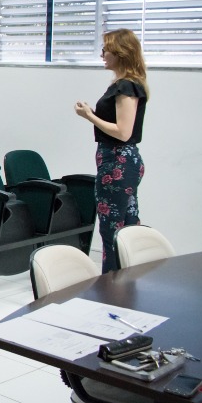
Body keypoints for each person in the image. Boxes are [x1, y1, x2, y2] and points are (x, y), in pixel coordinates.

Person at [74, 29, 149, 273]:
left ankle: (113, 287)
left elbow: (123, 132)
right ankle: (124, 284)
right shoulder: (124, 84)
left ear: (120, 53)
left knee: (112, 228)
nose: (102, 54)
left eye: (106, 49)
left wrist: (89, 117)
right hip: (118, 161)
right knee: (126, 226)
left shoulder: (126, 86)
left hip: (118, 162)